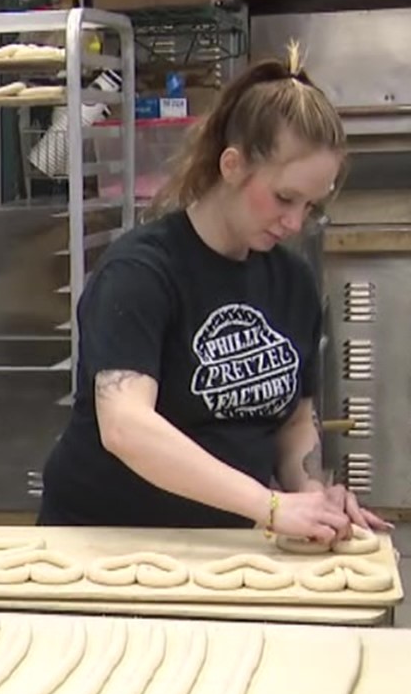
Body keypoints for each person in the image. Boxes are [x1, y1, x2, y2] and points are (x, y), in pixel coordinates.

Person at [38, 46, 388, 544]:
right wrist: (270, 506)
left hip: (220, 542)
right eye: (285, 197)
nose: (295, 222)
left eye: (310, 205)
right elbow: (126, 427)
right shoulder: (141, 272)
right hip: (105, 540)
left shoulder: (292, 281)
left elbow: (292, 422)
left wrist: (310, 491)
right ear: (231, 165)